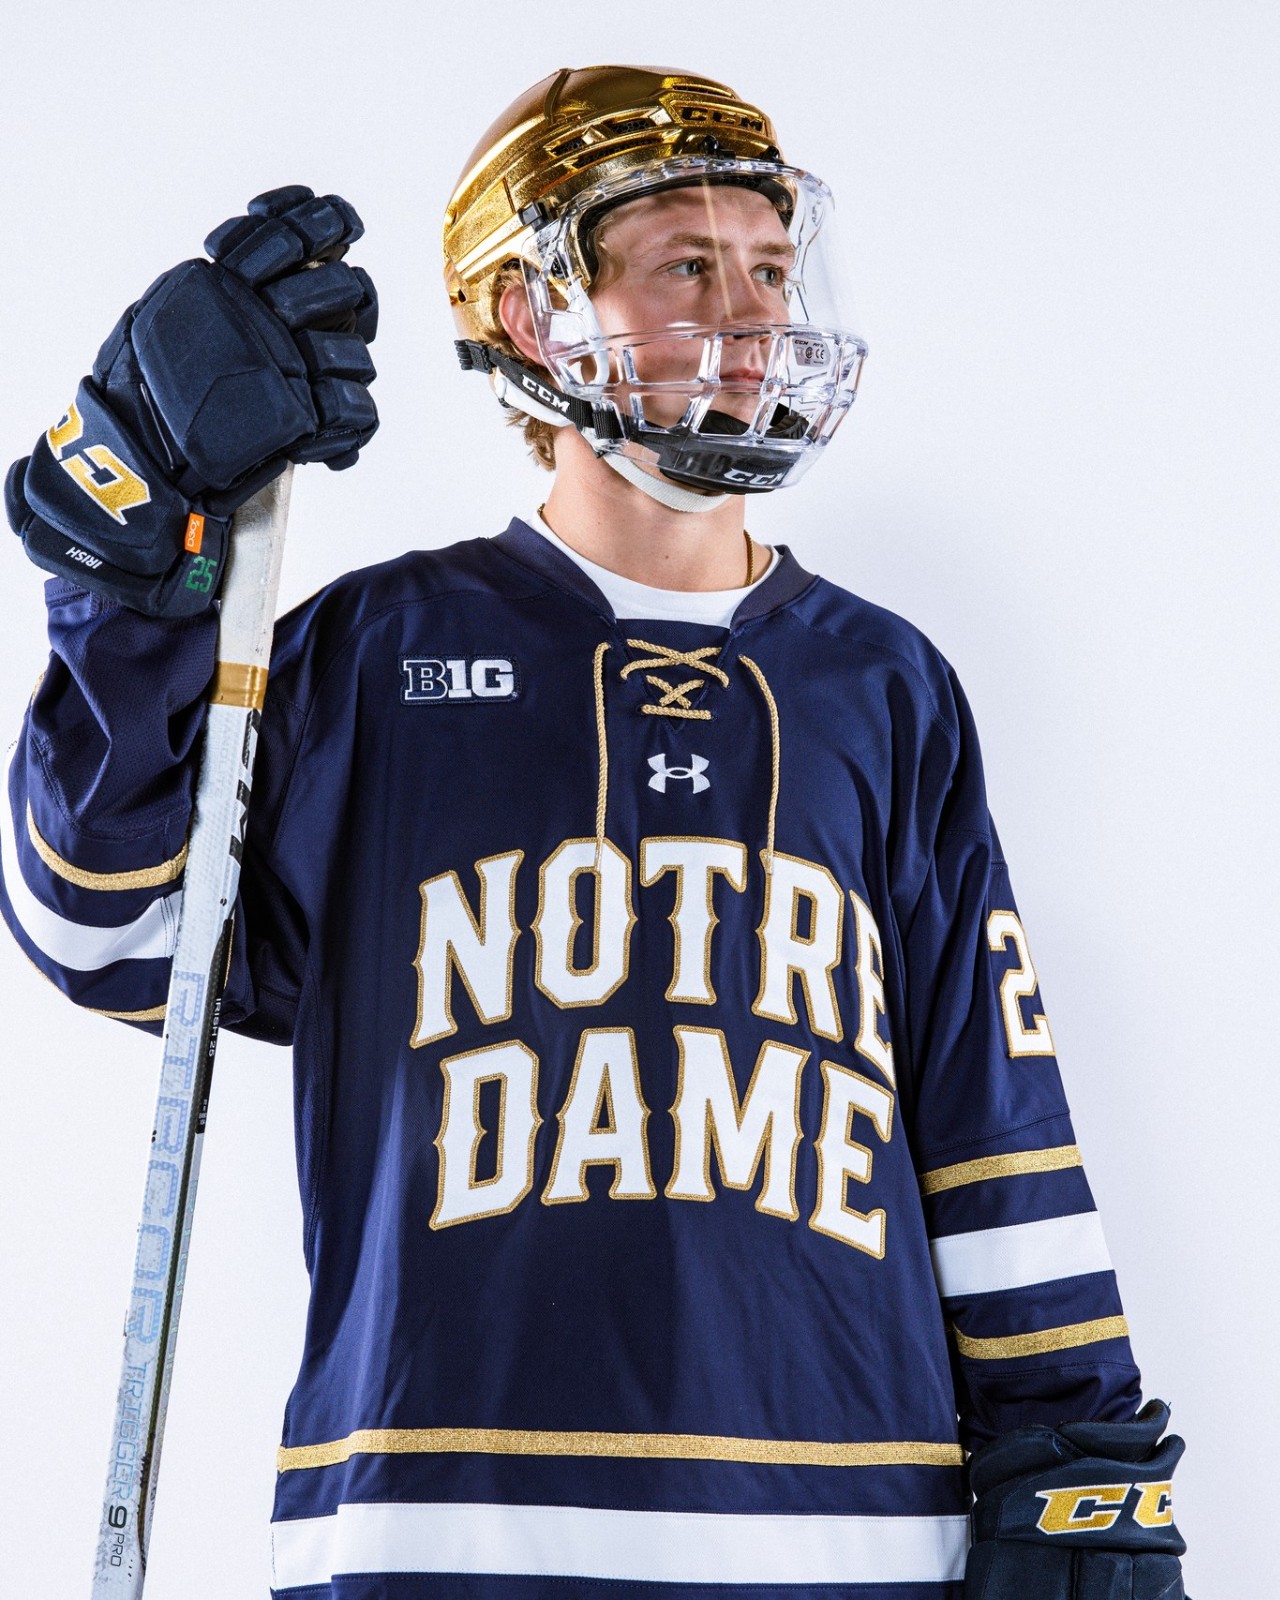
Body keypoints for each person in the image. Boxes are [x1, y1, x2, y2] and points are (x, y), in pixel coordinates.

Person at [2, 64, 1187, 1600]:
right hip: (440, 1535)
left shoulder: (883, 685)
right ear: (529, 315)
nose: (752, 316)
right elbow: (110, 935)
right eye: (687, 266)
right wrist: (135, 569)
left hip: (853, 1537)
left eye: (771, 266)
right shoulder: (375, 653)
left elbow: (989, 1111)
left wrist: (1076, 1447)